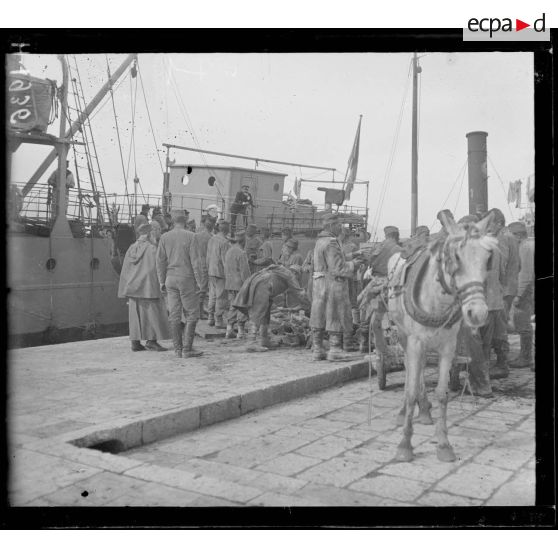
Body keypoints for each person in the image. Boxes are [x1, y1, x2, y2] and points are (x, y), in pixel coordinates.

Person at [310, 212, 365, 361]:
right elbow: (337, 268)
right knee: (336, 313)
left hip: (319, 284)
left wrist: (352, 255)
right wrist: (354, 264)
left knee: (319, 314)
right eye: (338, 224)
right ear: (331, 226)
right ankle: (335, 350)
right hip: (333, 284)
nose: (340, 227)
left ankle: (318, 349)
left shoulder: (320, 241)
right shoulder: (332, 242)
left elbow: (330, 261)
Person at [156, 209, 204, 358]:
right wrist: (201, 282)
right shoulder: (191, 236)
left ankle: (177, 349)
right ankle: (187, 349)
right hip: (186, 278)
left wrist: (161, 281)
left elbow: (160, 261)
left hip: (170, 279)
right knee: (191, 314)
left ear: (173, 221)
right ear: (185, 220)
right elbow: (196, 262)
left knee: (174, 315)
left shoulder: (164, 237)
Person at [233, 265, 310, 352]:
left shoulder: (280, 271)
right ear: (296, 273)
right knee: (258, 313)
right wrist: (309, 304)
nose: (297, 279)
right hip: (263, 286)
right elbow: (299, 293)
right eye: (298, 277)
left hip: (260, 283)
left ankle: (264, 339)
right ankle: (251, 342)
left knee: (265, 313)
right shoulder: (290, 275)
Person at [118, 223, 169, 352]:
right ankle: (151, 341)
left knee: (135, 315)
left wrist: (126, 287)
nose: (159, 234)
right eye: (157, 231)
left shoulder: (132, 248)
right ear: (151, 233)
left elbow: (125, 270)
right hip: (148, 287)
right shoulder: (152, 249)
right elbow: (157, 268)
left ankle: (135, 342)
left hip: (133, 287)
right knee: (152, 314)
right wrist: (163, 283)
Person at [358, 225, 402, 360]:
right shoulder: (399, 250)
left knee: (368, 312)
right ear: (397, 235)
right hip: (390, 284)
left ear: (386, 235)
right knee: (396, 316)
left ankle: (364, 343)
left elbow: (367, 263)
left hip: (373, 283)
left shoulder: (378, 247)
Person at [486, 208, 520, 376]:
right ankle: (501, 363)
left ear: (499, 223)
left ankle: (502, 365)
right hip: (509, 287)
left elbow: (501, 266)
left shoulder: (501, 238)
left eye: (490, 223)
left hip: (502, 290)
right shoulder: (511, 237)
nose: (487, 227)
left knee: (499, 328)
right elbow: (517, 265)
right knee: (501, 326)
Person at [508, 221, 534, 369]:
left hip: (525, 292)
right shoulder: (526, 246)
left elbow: (526, 274)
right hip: (527, 290)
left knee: (523, 324)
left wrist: (518, 295)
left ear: (518, 236)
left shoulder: (525, 248)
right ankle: (526, 356)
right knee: (523, 324)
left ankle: (525, 357)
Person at [224, 228, 251, 339]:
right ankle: (241, 332)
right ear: (243, 241)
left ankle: (229, 329)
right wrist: (249, 283)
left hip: (230, 283)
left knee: (233, 306)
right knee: (242, 307)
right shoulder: (241, 253)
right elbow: (245, 272)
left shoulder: (229, 251)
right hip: (240, 284)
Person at [206, 219, 231, 328]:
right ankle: (218, 321)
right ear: (227, 229)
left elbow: (208, 256)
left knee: (212, 296)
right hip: (221, 273)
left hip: (211, 271)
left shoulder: (212, 239)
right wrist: (229, 275)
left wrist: (208, 269)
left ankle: (210, 318)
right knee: (221, 297)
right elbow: (225, 261)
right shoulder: (225, 242)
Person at [194, 216, 214, 319]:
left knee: (198, 289)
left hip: (196, 263)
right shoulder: (211, 237)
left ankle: (199, 310)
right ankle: (199, 313)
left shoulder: (196, 235)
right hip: (205, 265)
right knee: (202, 290)